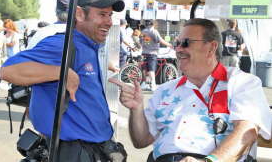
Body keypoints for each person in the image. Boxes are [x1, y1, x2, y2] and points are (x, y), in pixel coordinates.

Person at [109, 18, 272, 162]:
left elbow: (247, 132)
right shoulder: (165, 90)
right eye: (176, 43)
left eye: (186, 43)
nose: (178, 49)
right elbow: (141, 141)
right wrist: (136, 109)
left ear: (211, 48)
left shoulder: (241, 83)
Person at [0, 0, 126, 162]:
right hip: (72, 152)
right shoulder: (64, 44)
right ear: (80, 14)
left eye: (110, 15)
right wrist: (62, 72)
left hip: (94, 150)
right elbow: (7, 71)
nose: (109, 22)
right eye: (102, 14)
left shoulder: (89, 46)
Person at [140, 20, 173, 91]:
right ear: (153, 24)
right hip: (152, 52)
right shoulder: (154, 31)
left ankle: (144, 83)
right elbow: (160, 40)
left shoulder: (143, 31)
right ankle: (153, 84)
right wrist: (169, 44)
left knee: (145, 68)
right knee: (151, 69)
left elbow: (141, 41)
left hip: (144, 52)